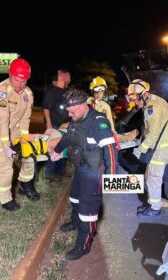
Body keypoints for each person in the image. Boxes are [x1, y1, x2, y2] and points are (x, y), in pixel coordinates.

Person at [50, 89, 118, 260]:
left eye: (72, 111)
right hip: (80, 167)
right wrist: (57, 151)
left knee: (88, 209)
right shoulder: (76, 119)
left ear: (82, 106)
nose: (70, 114)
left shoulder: (98, 122)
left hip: (94, 171)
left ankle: (84, 244)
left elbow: (110, 149)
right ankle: (75, 222)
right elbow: (68, 138)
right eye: (68, 111)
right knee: (75, 198)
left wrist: (111, 177)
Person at [0, 58, 40, 212]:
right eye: (16, 80)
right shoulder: (0, 91)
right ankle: (5, 199)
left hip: (15, 131)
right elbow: (3, 120)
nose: (20, 85)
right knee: (6, 166)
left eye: (24, 81)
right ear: (10, 75)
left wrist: (24, 140)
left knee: (28, 158)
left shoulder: (28, 94)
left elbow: (25, 119)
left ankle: (24, 185)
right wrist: (5, 145)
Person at [127, 79, 168, 216]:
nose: (135, 102)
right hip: (160, 146)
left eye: (136, 98)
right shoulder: (155, 101)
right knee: (150, 175)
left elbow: (153, 133)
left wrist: (140, 149)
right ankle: (152, 203)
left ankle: (155, 209)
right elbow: (151, 129)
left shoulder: (152, 107)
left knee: (153, 178)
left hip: (161, 149)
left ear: (144, 93)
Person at [87, 76, 137, 142]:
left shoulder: (106, 106)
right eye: (96, 91)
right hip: (91, 132)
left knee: (113, 134)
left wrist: (113, 132)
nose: (99, 94)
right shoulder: (88, 102)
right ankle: (128, 136)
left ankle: (131, 135)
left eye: (101, 91)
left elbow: (110, 122)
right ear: (92, 91)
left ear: (104, 92)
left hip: (102, 131)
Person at [42, 69, 71, 182]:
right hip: (54, 125)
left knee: (63, 148)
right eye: (67, 76)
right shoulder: (51, 91)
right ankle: (50, 173)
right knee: (53, 148)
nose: (69, 79)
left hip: (65, 125)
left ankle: (60, 171)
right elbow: (46, 108)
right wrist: (49, 125)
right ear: (61, 77)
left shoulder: (65, 91)